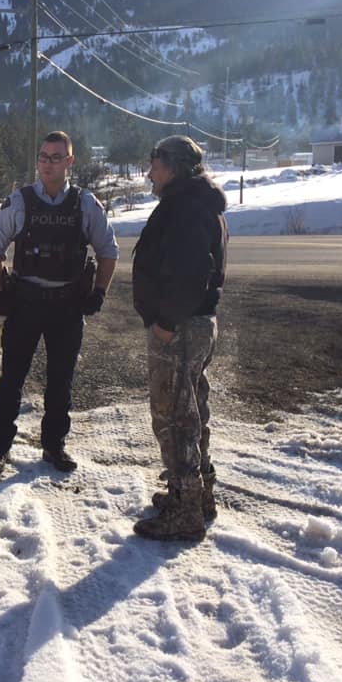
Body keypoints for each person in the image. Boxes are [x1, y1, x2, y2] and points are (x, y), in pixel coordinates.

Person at [0, 131, 118, 478]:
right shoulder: (20, 202)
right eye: (43, 156)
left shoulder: (86, 205)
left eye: (56, 157)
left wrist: (99, 293)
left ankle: (54, 446)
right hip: (25, 304)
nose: (47, 163)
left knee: (61, 381)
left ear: (70, 162)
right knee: (10, 380)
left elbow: (109, 252)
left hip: (67, 307)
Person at [131, 135, 228, 542]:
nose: (149, 172)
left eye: (153, 163)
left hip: (182, 328)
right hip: (191, 325)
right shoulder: (193, 202)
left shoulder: (186, 207)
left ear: (172, 166)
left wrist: (166, 322)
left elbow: (190, 273)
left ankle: (185, 510)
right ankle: (198, 494)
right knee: (193, 410)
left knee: (175, 417)